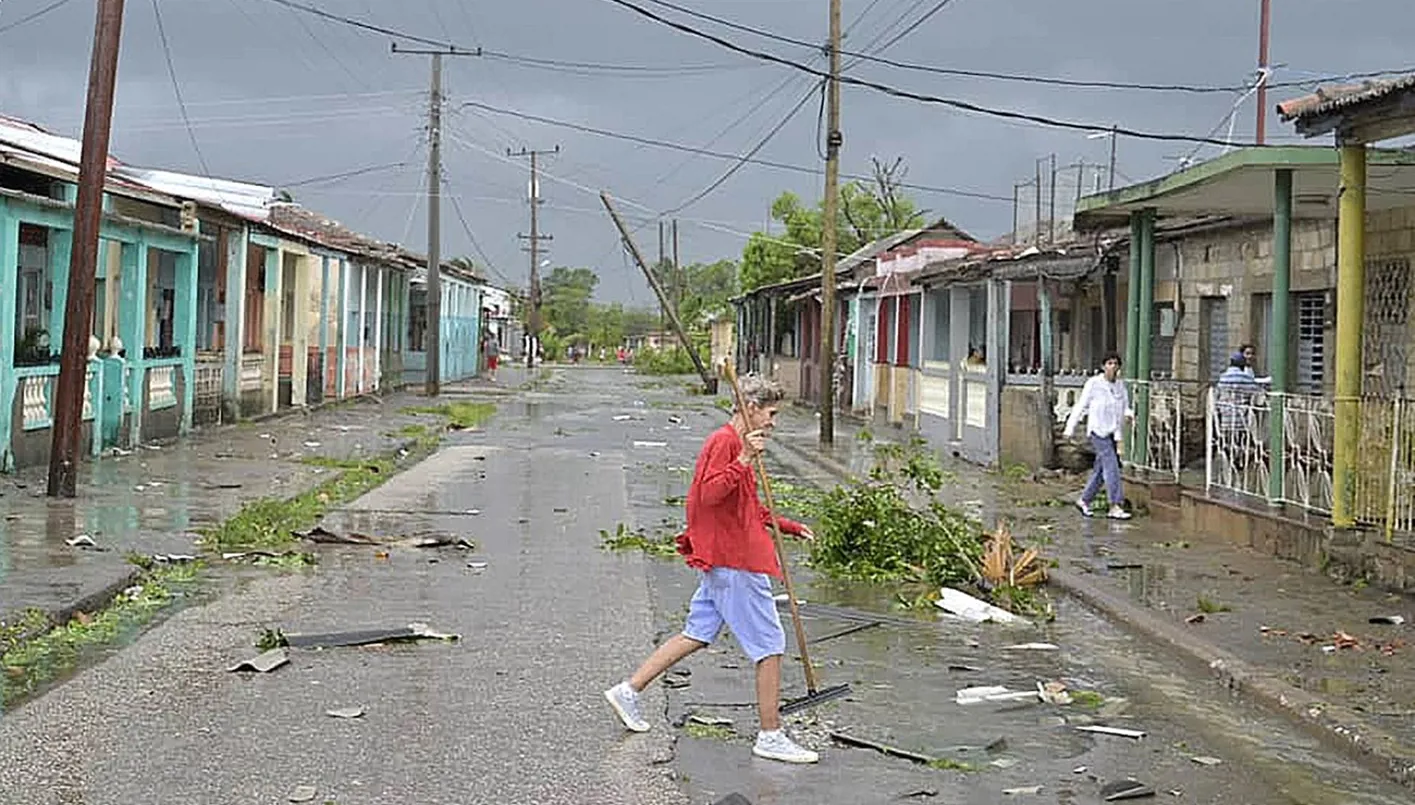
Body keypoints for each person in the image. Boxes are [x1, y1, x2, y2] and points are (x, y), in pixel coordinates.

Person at [603, 374, 820, 764]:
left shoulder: (740, 444)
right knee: (770, 646)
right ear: (750, 408)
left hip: (728, 557)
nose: (773, 422)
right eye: (770, 414)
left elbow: (747, 507)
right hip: (735, 561)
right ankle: (771, 735)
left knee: (697, 633)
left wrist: (788, 525)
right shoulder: (726, 443)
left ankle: (628, 691)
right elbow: (708, 494)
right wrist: (743, 460)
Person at [1064, 353, 1133, 520]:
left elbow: (1125, 406)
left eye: (1115, 364)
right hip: (1097, 431)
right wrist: (1069, 428)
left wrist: (1130, 415)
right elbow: (1081, 406)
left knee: (1101, 469)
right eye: (1109, 363)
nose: (1112, 367)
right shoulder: (1094, 384)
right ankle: (1115, 504)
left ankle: (1084, 500)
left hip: (1113, 432)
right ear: (1103, 366)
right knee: (1112, 465)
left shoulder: (1120, 386)